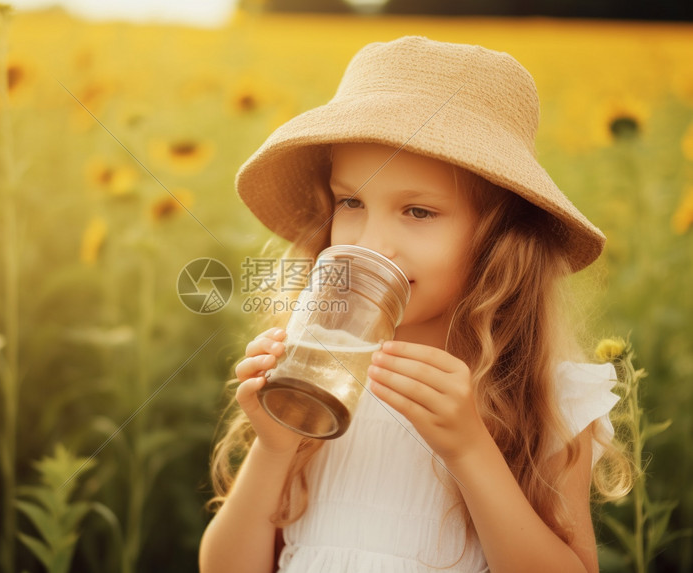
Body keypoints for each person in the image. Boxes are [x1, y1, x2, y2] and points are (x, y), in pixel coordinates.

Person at [198, 35, 631, 573]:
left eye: (418, 212)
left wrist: (470, 451)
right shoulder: (315, 372)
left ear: (498, 241)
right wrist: (274, 448)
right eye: (351, 202)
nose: (369, 242)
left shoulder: (543, 399)